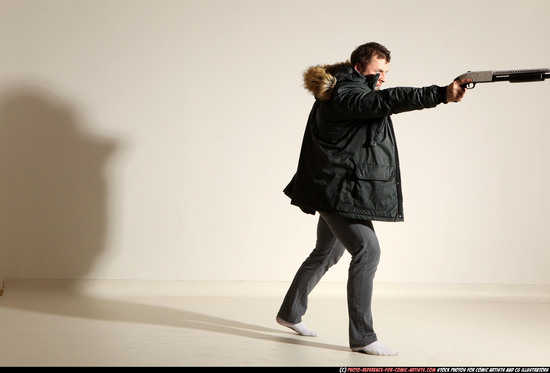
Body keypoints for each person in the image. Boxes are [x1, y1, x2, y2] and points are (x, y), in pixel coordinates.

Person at [276, 42, 471, 356]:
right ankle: (363, 337)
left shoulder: (346, 89)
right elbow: (387, 100)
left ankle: (289, 313)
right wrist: (439, 94)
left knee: (326, 253)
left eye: (386, 72)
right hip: (336, 189)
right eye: (378, 71)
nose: (382, 77)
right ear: (358, 68)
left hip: (332, 185)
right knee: (367, 250)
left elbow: (379, 101)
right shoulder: (345, 95)